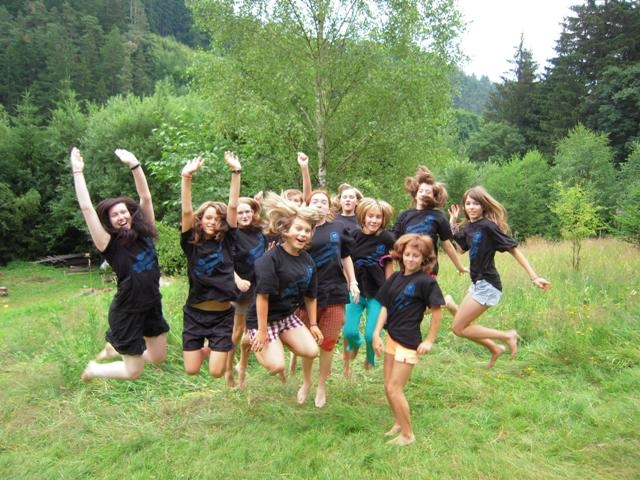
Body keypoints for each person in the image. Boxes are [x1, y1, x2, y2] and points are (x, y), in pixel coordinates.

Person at [70, 147, 169, 381]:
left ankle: (115, 349)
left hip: (152, 304)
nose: (121, 217)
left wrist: (135, 165)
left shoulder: (145, 232)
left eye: (123, 212)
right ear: (109, 222)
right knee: (134, 372)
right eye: (114, 215)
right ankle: (95, 369)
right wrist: (78, 171)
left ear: (130, 213)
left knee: (158, 357)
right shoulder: (109, 244)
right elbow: (87, 209)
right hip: (127, 311)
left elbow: (146, 197)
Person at [448, 186, 551, 368]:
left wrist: (534, 277)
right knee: (461, 326)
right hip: (477, 284)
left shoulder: (488, 226)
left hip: (488, 285)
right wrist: (453, 223)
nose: (471, 207)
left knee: (458, 328)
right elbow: (461, 249)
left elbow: (514, 250)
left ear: (483, 206)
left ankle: (507, 336)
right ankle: (496, 348)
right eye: (468, 203)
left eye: (476, 204)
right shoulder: (470, 227)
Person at [245, 192, 324, 387]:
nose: (303, 234)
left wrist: (313, 324)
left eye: (307, 230)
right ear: (286, 230)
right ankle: (249, 338)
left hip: (286, 317)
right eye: (298, 228)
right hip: (263, 320)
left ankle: (278, 340)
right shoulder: (269, 260)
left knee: (312, 351)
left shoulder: (308, 261)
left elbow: (311, 296)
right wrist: (262, 331)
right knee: (276, 366)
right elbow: (262, 297)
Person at [372, 234, 444, 447]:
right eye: (407, 254)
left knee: (395, 388)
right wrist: (376, 334)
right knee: (388, 386)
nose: (411, 259)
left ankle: (407, 435)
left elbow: (437, 312)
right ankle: (398, 421)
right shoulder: (395, 278)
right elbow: (384, 306)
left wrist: (429, 340)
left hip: (409, 342)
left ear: (424, 259)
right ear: (401, 255)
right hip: (392, 338)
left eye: (416, 256)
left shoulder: (426, 282)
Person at [179, 152, 242, 382]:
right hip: (195, 314)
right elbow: (186, 211)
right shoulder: (190, 243)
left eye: (217, 219)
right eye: (208, 217)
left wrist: (236, 171)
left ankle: (218, 349)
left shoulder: (227, 241)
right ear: (200, 219)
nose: (212, 221)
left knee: (216, 372)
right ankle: (212, 349)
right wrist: (186, 177)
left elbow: (233, 206)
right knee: (191, 370)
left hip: (222, 316)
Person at [296, 188, 360, 408]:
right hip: (306, 294)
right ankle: (306, 381)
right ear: (308, 204)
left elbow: (346, 256)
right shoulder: (301, 229)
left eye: (323, 201)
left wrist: (353, 282)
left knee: (328, 342)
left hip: (334, 292)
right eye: (315, 201)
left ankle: (321, 385)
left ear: (329, 206)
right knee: (307, 342)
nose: (320, 204)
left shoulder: (338, 227)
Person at [342, 197, 395, 378]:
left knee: (371, 334)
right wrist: (348, 283)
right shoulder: (353, 236)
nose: (374, 220)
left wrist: (389, 290)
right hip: (355, 291)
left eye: (378, 217)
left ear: (383, 219)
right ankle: (355, 343)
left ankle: (370, 359)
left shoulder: (387, 238)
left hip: (377, 293)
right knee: (349, 331)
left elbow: (389, 264)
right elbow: (345, 261)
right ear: (363, 217)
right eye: (370, 216)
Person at [393, 165, 467, 279]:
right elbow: (393, 240)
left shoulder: (438, 216)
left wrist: (460, 267)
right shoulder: (404, 215)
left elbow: (447, 244)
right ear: (415, 194)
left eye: (427, 192)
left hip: (429, 270)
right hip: (407, 269)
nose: (423, 194)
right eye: (421, 191)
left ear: (434, 197)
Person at [227, 196, 267, 388]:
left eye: (247, 212)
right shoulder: (232, 235)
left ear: (253, 213)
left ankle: (242, 365)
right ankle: (228, 370)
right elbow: (225, 261)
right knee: (237, 332)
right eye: (240, 212)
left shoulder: (259, 231)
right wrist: (237, 280)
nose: (244, 216)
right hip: (241, 290)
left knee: (251, 331)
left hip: (260, 287)